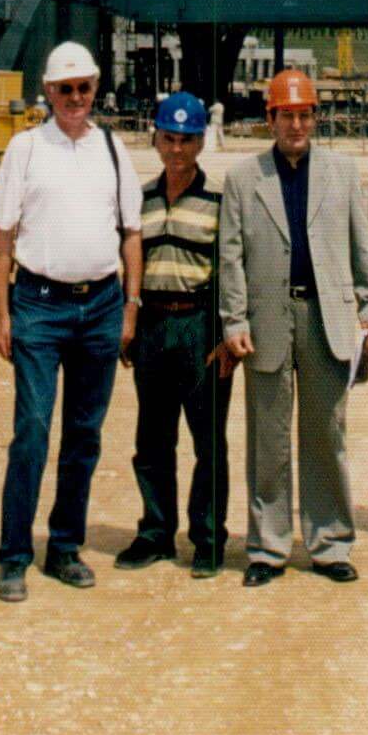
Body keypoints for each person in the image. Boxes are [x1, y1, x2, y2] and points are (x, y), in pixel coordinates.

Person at [217, 67, 368, 586]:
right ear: (269, 118)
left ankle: (331, 543)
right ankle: (267, 548)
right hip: (267, 319)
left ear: (316, 117)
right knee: (268, 437)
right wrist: (233, 319)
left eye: (304, 115)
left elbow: (362, 246)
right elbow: (231, 257)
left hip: (325, 317)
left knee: (326, 434)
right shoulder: (243, 179)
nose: (296, 125)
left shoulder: (341, 172)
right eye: (286, 115)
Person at [0, 39, 143, 602]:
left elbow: (131, 234)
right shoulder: (26, 149)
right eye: (65, 89)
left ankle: (65, 547)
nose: (76, 97)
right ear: (49, 92)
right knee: (32, 430)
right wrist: (2, 315)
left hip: (100, 306)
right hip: (39, 305)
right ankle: (14, 556)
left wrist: (130, 306)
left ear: (95, 88)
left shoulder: (112, 149)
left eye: (83, 87)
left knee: (84, 434)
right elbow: (2, 240)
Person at [116, 89, 231, 577]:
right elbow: (126, 263)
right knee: (153, 436)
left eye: (187, 139)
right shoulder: (138, 200)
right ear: (156, 139)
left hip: (200, 325)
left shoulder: (219, 201)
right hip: (153, 325)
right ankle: (155, 532)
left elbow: (231, 272)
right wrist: (128, 323)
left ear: (201, 142)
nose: (177, 149)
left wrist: (226, 335)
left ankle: (207, 539)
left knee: (208, 440)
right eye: (169, 138)